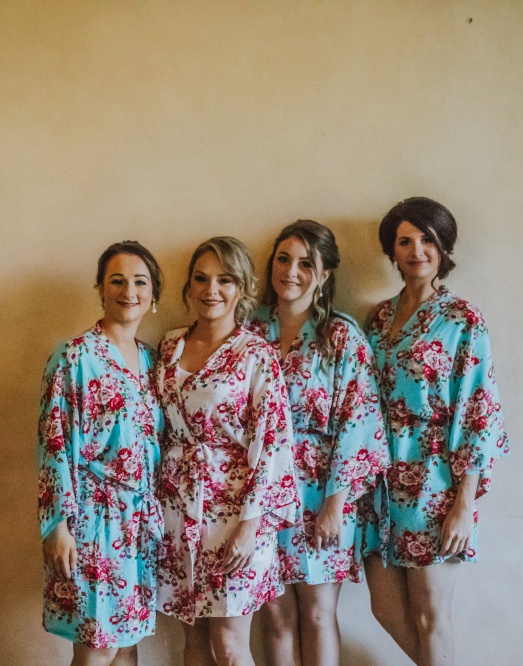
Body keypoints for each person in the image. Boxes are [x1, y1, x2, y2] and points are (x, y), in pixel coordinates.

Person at [362, 198, 509, 666]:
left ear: (444, 247)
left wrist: (464, 503)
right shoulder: (378, 318)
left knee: (430, 615)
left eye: (427, 239)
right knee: (384, 608)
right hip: (379, 483)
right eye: (404, 241)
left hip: (434, 485)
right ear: (392, 250)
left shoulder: (462, 319)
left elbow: (478, 411)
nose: (416, 250)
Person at [154, 236, 299, 666]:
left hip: (236, 515)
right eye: (200, 278)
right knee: (194, 641)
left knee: (230, 647)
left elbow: (272, 442)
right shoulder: (169, 345)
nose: (210, 290)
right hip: (177, 509)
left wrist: (250, 526)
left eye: (224, 279)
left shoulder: (257, 354)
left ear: (243, 288)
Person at [250, 220, 388, 666]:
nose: (291, 271)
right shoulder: (250, 334)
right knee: (274, 613)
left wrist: (336, 501)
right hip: (262, 492)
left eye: (306, 263)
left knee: (316, 612)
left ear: (325, 275)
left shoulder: (342, 337)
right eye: (283, 259)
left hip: (323, 493)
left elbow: (359, 420)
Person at [38, 241, 165, 666]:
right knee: (97, 647)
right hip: (94, 522)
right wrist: (56, 526)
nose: (129, 291)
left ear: (153, 296)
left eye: (140, 282)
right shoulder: (74, 356)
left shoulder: (152, 360)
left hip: (139, 524)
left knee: (129, 642)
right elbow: (53, 443)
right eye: (117, 281)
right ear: (101, 289)